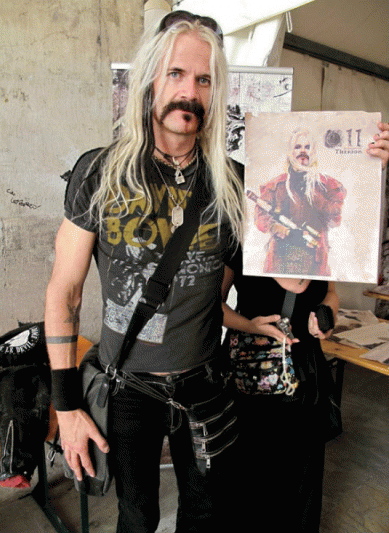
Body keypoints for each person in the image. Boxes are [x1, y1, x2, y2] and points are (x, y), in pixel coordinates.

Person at [44, 10, 244, 533]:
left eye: (204, 80)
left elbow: (271, 267)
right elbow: (65, 292)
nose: (190, 92)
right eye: (176, 74)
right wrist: (66, 407)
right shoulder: (100, 172)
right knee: (137, 517)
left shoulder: (234, 183)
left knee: (205, 515)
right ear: (151, 79)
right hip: (129, 386)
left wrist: (366, 169)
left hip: (204, 382)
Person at [221, 124, 389, 532]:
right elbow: (212, 305)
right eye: (295, 146)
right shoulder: (246, 238)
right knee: (252, 472)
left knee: (303, 475)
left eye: (307, 148)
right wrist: (249, 324)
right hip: (253, 371)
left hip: (306, 372)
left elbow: (329, 294)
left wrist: (326, 315)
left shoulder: (322, 235)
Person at [254, 127, 347, 276]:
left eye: (307, 147)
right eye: (298, 147)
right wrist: (277, 227)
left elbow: (336, 219)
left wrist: (317, 198)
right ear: (291, 152)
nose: (303, 151)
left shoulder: (328, 185)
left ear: (313, 151)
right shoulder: (276, 184)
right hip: (280, 258)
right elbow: (260, 216)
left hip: (315, 260)